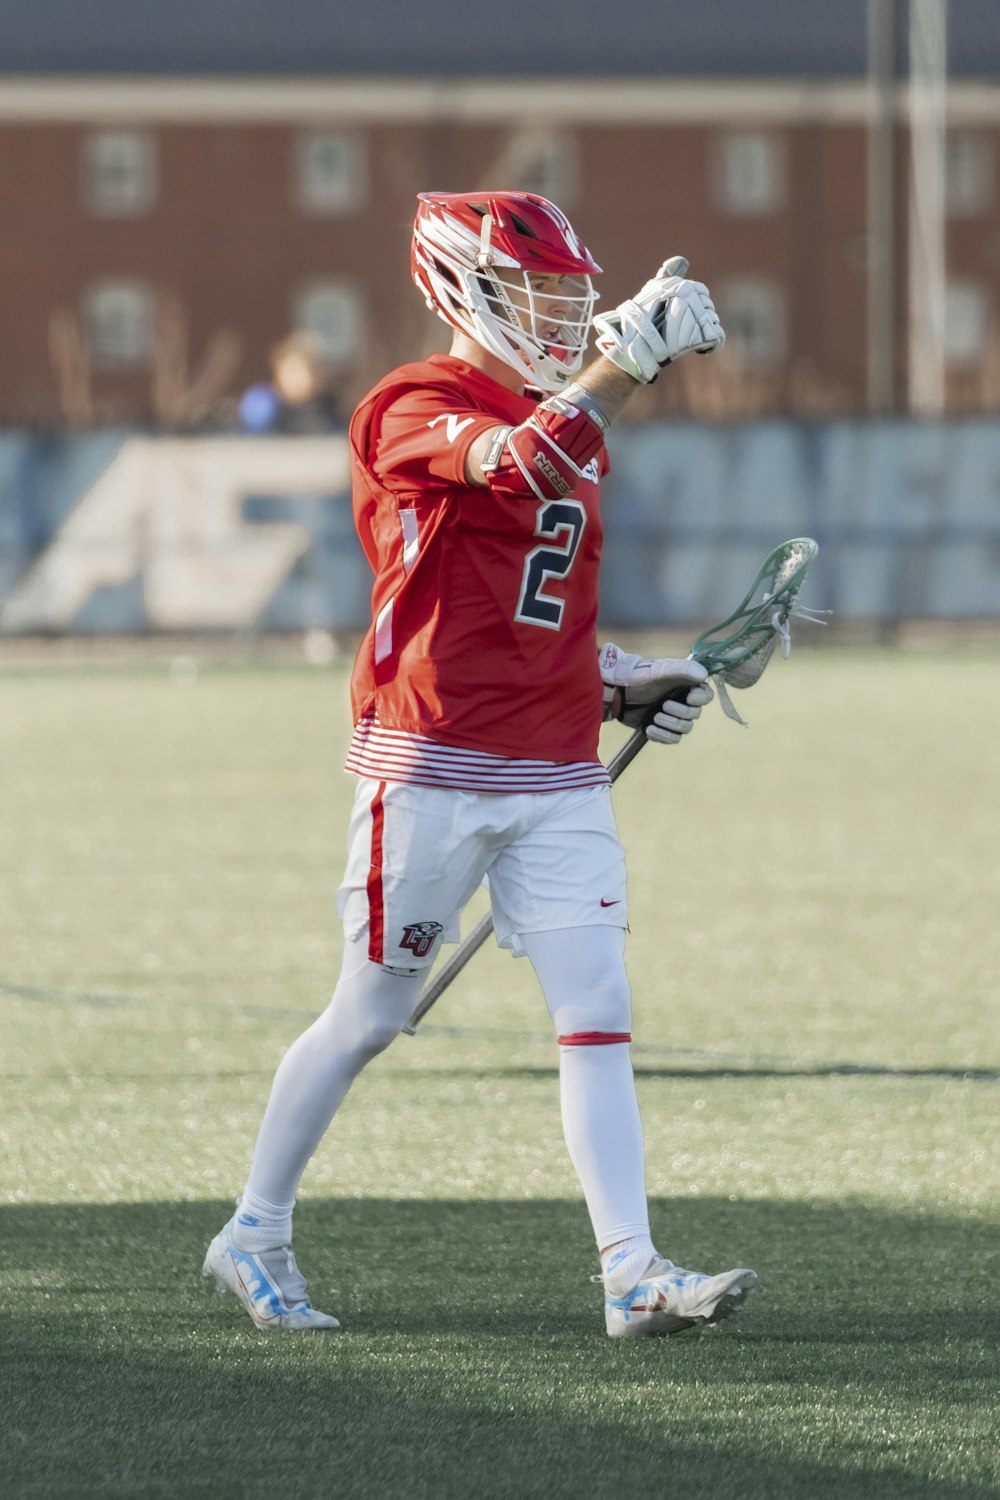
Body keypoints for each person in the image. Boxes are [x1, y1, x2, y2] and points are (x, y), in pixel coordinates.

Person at [204, 190, 758, 1338]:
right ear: (462, 288)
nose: (562, 318)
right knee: (365, 1016)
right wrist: (622, 366)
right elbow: (521, 467)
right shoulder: (410, 403)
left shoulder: (568, 418)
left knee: (597, 1009)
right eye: (536, 295)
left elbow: (525, 611)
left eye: (572, 298)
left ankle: (630, 1271)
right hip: (430, 762)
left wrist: (619, 678)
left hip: (551, 772)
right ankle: (251, 1231)